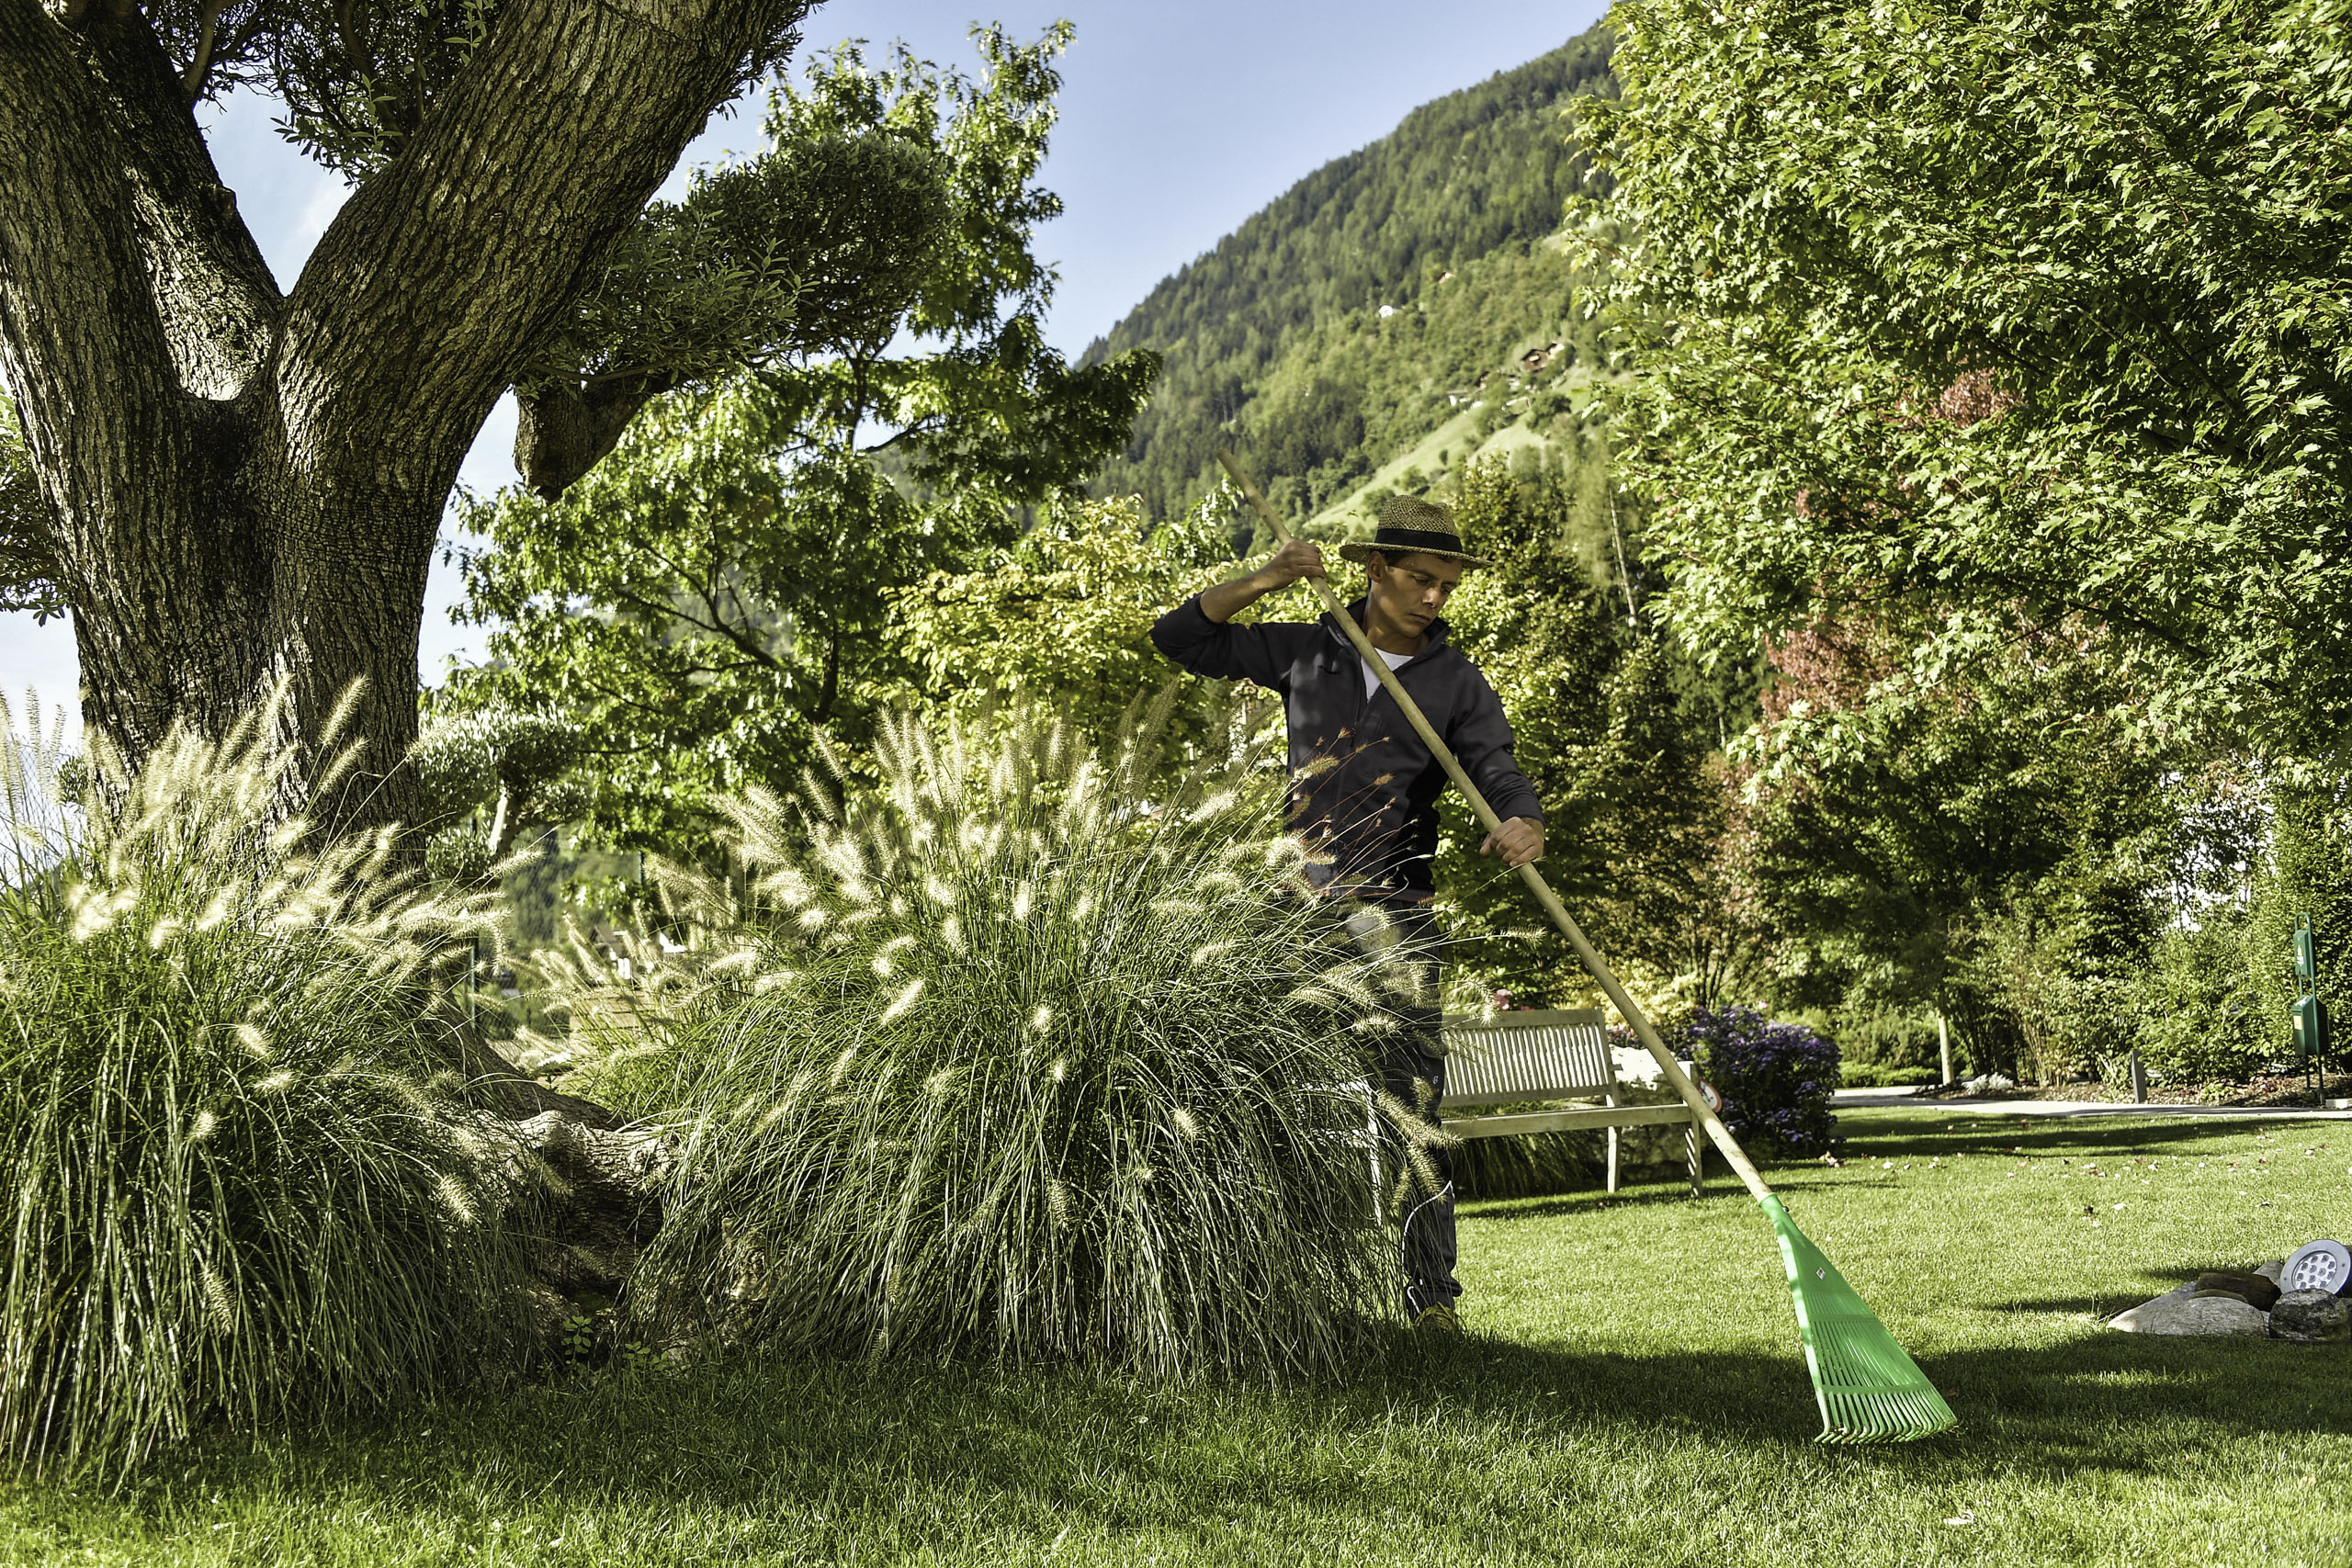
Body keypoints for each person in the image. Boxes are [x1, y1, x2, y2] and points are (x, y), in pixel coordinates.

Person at [1150, 493, 1544, 1332]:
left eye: (1448, 584)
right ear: (1375, 568)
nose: (1434, 596)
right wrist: (1269, 577)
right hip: (1292, 909)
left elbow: (1497, 767)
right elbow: (1180, 637)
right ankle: (1261, 1294)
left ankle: (1431, 1300)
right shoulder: (1308, 651)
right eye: (1419, 578)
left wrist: (1523, 820)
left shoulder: (1455, 681)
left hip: (1397, 909)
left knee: (1411, 1104)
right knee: (1255, 1091)